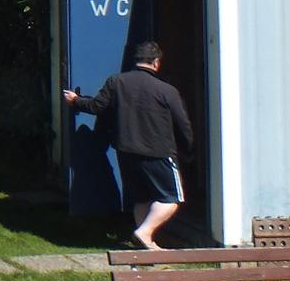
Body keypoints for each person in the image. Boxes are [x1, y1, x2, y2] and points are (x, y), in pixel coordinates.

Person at [63, 41, 194, 249]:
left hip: (126, 151)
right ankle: (144, 233)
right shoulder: (167, 91)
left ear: (136, 62)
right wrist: (188, 149)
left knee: (141, 198)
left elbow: (97, 106)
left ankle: (146, 244)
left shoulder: (116, 82)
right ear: (157, 63)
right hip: (158, 152)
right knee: (171, 198)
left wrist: (76, 100)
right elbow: (183, 124)